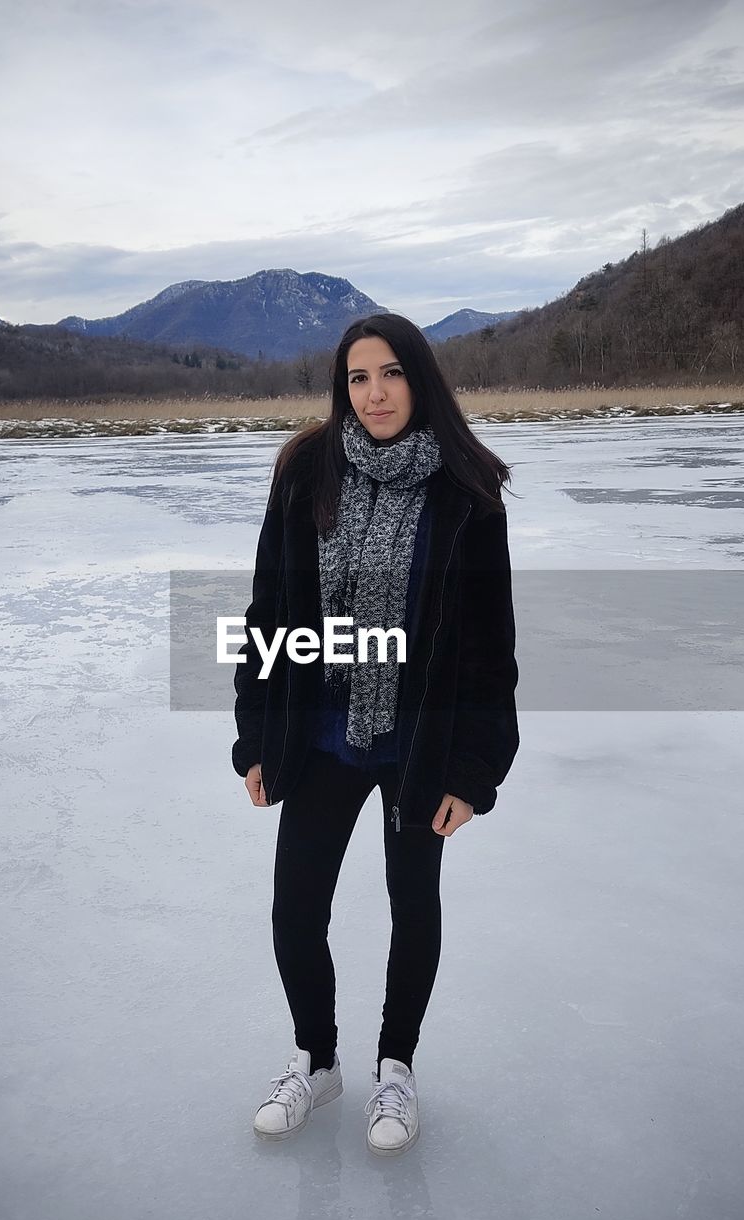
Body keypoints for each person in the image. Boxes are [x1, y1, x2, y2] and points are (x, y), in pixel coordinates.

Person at [231, 312, 519, 1156]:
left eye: (391, 373)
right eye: (359, 377)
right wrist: (254, 737)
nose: (376, 392)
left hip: (418, 739)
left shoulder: (465, 491)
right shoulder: (305, 472)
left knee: (412, 905)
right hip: (319, 730)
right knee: (295, 910)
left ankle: (396, 1068)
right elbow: (267, 612)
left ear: (417, 378)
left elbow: (487, 645)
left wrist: (474, 769)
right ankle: (317, 1064)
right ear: (341, 387)